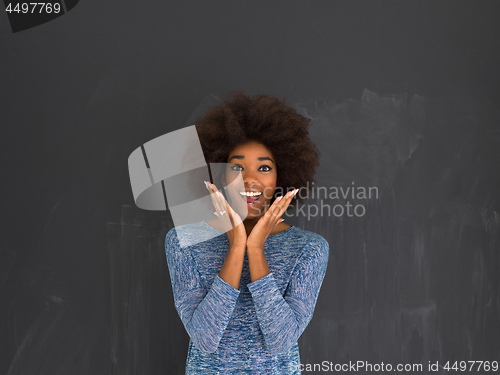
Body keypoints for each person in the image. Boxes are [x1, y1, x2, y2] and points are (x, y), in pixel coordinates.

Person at [165, 91, 329, 374]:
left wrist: (255, 250)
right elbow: (205, 338)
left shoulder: (309, 249)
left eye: (264, 167)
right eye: (236, 166)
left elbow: (280, 341)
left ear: (282, 175)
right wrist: (237, 245)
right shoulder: (184, 241)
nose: (250, 179)